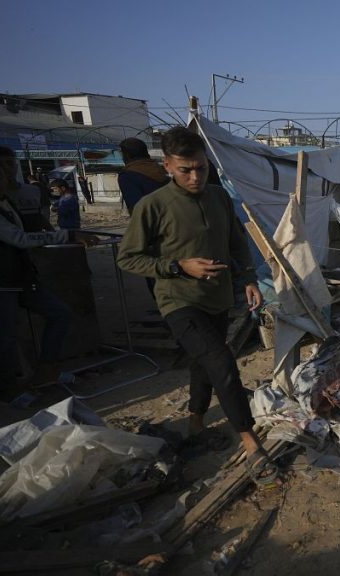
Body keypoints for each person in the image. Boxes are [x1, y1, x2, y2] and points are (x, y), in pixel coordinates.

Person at [117, 127, 276, 485]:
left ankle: (195, 425)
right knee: (221, 362)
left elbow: (237, 242)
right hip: (178, 301)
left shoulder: (219, 198)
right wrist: (177, 266)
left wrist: (248, 278)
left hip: (217, 299)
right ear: (168, 165)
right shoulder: (153, 206)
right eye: (186, 170)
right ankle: (251, 444)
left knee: (202, 364)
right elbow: (128, 258)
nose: (195, 177)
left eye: (201, 168)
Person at [0, 146, 97, 401]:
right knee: (4, 337)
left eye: (8, 167)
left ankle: (46, 369)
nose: (6, 175)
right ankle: (6, 389)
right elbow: (18, 238)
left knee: (59, 313)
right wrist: (66, 235)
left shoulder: (6, 201)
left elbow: (36, 226)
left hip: (21, 276)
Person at [117, 138, 169, 214]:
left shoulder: (127, 176)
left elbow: (137, 210)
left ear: (127, 155)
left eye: (122, 154)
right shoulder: (159, 169)